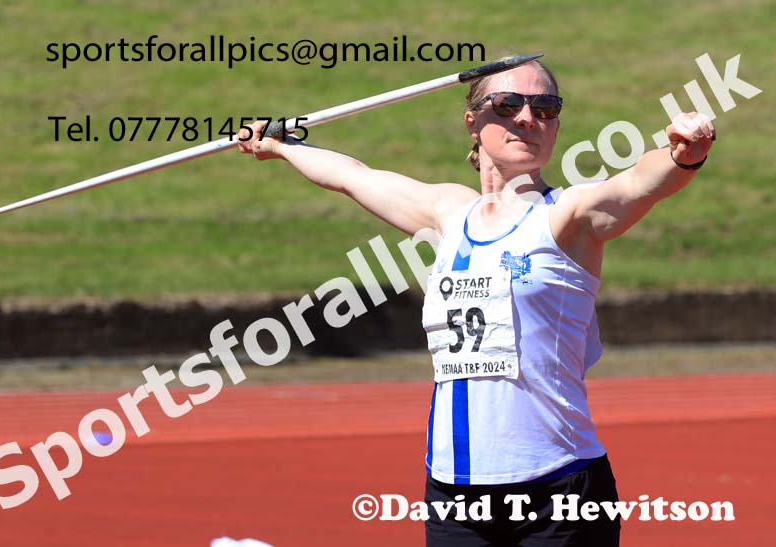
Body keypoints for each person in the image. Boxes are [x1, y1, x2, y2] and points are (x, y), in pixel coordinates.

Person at [238, 58, 715, 546]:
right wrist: (277, 145)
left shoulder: (568, 216)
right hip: (454, 494)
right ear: (473, 120)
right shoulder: (447, 214)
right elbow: (352, 175)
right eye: (509, 105)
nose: (528, 119)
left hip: (558, 491)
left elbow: (637, 183)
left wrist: (684, 153)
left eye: (546, 108)